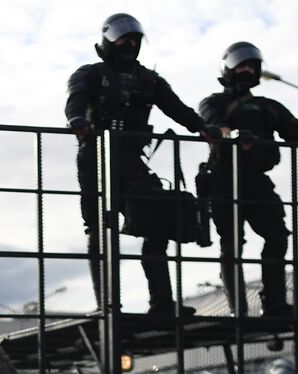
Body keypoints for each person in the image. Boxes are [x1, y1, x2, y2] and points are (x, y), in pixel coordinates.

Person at [66, 13, 213, 315]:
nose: (129, 43)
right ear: (107, 39)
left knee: (158, 223)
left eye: (134, 39)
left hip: (132, 160)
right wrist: (76, 119)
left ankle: (162, 302)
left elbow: (176, 107)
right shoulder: (90, 73)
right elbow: (76, 99)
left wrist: (201, 126)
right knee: (98, 228)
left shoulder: (149, 79)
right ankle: (107, 304)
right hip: (95, 156)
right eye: (123, 38)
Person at [199, 42, 298, 318]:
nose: (247, 70)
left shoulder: (267, 106)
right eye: (241, 65)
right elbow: (215, 127)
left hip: (256, 180)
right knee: (231, 244)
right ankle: (237, 310)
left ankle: (274, 303)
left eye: (252, 66)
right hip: (224, 180)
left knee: (277, 235)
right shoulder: (213, 102)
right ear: (228, 69)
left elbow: (295, 130)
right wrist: (235, 136)